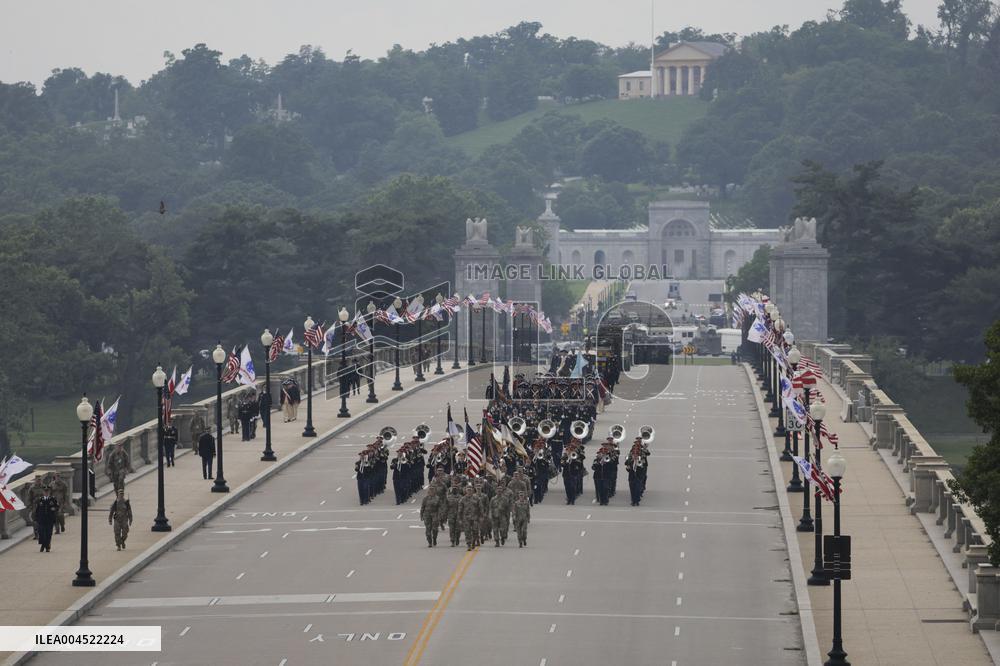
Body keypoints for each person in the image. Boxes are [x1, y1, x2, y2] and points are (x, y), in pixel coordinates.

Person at [34, 485, 59, 552]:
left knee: (48, 533)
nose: (46, 493)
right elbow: (37, 509)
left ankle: (47, 546)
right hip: (41, 519)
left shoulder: (53, 499)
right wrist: (36, 518)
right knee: (41, 533)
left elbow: (57, 506)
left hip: (49, 519)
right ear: (43, 492)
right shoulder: (40, 499)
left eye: (47, 491)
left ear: (49, 492)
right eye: (45, 491)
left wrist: (54, 508)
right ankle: (43, 544)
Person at [458, 486, 480, 551]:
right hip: (466, 518)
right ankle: (468, 544)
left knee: (475, 531)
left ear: (472, 491)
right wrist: (460, 519)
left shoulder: (476, 498)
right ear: (466, 491)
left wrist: (481, 516)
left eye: (470, 490)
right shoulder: (463, 499)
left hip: (475, 518)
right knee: (467, 532)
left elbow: (480, 507)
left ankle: (473, 542)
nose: (469, 491)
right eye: (468, 490)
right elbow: (460, 509)